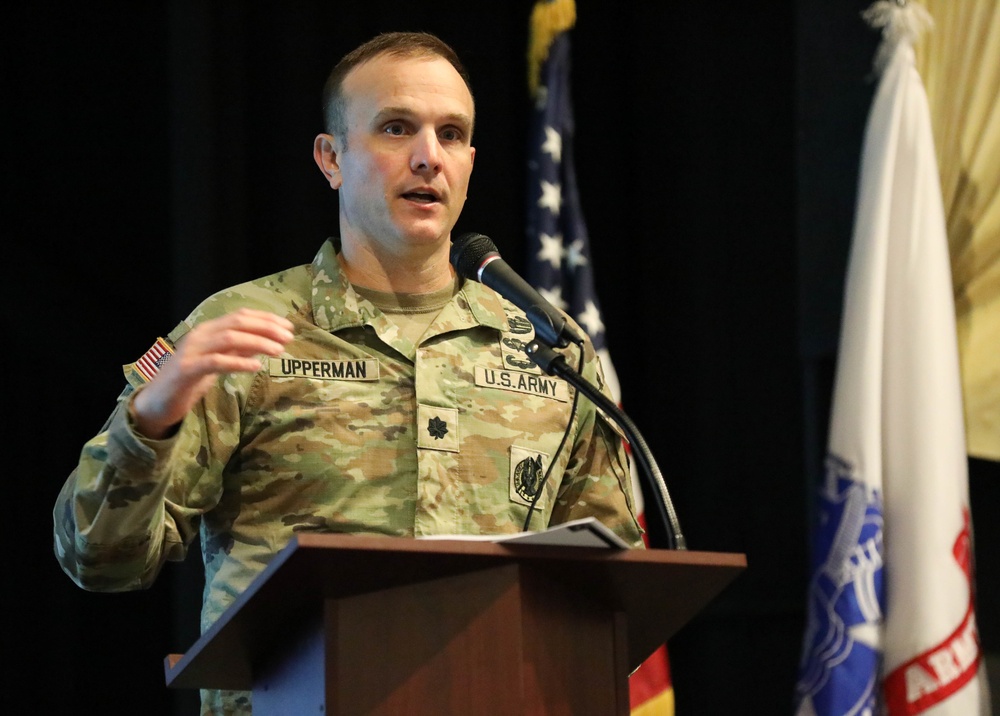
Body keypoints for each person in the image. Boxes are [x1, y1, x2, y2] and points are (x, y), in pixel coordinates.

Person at [53, 30, 644, 715]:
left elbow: (606, 599)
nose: (428, 157)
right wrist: (150, 419)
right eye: (397, 128)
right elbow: (100, 559)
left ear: (471, 161)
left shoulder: (547, 345)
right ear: (330, 158)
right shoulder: (245, 328)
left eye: (451, 134)